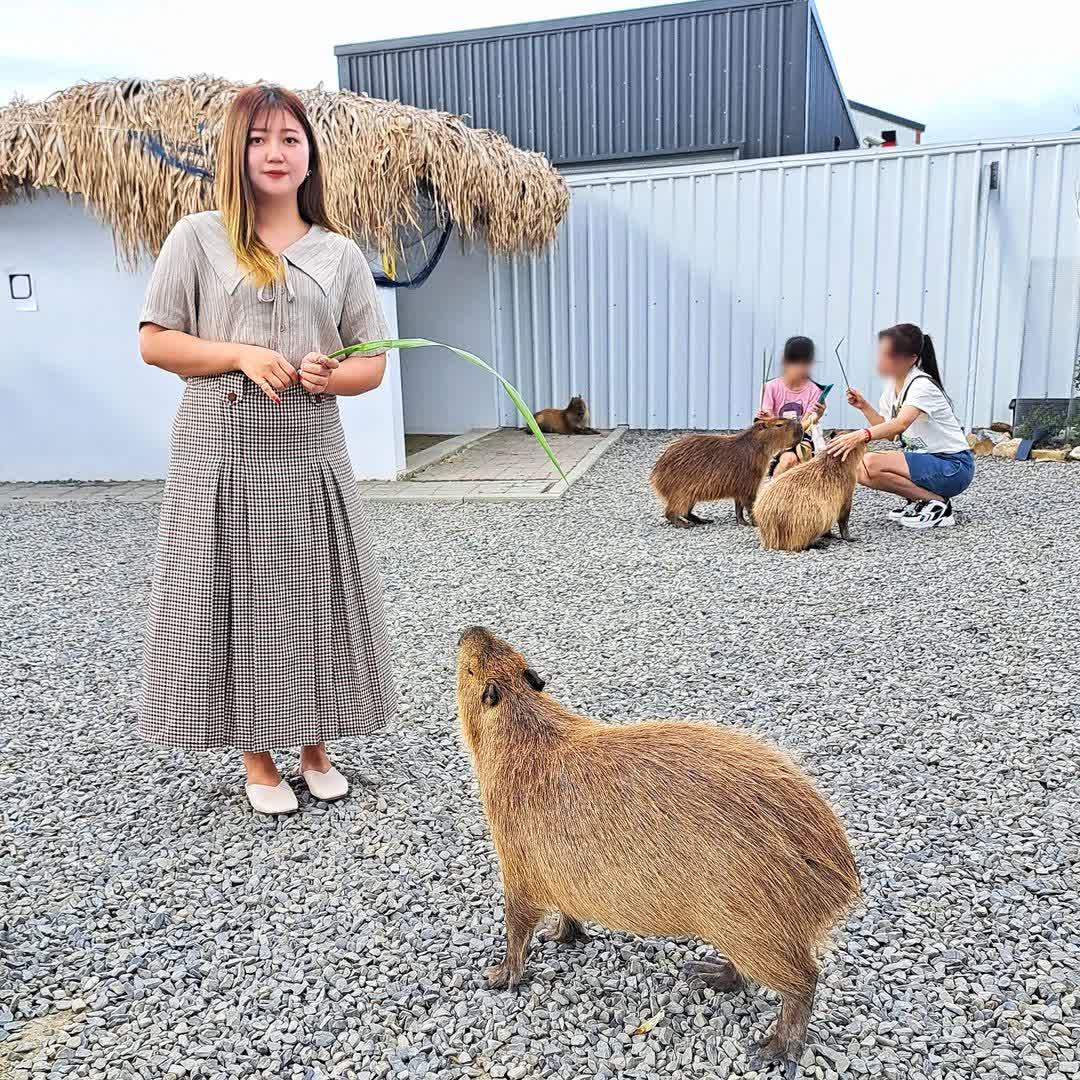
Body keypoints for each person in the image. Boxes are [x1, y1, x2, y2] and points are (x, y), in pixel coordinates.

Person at [137, 84, 396, 814]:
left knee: (312, 595)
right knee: (235, 597)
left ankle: (314, 745)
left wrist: (330, 374)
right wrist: (240, 355)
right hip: (220, 450)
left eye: (289, 138)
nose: (275, 153)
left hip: (309, 451)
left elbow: (372, 363)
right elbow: (155, 341)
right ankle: (257, 757)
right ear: (236, 152)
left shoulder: (340, 253)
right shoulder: (197, 237)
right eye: (257, 139)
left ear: (309, 153)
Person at [827, 323, 974, 529]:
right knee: (860, 467)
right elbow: (890, 433)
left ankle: (939, 506)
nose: (881, 360)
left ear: (911, 359)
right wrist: (864, 407)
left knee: (869, 462)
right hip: (931, 462)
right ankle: (925, 501)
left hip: (953, 467)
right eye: (881, 353)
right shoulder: (893, 385)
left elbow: (900, 424)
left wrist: (860, 435)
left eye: (888, 355)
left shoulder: (921, 385)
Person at [757, 336, 827, 476]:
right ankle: (773, 489)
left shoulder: (815, 390)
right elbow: (767, 423)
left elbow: (805, 424)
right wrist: (766, 418)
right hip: (777, 437)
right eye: (795, 362)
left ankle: (800, 488)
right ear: (785, 362)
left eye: (804, 363)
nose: (799, 368)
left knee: (803, 454)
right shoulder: (771, 387)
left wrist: (817, 416)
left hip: (801, 435)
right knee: (789, 460)